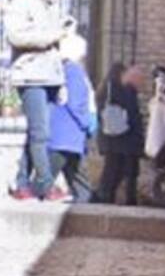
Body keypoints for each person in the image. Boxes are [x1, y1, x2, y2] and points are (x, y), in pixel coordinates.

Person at [6, 0, 72, 201]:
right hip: (30, 75)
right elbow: (15, 35)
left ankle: (22, 184)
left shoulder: (51, 5)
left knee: (37, 133)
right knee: (40, 133)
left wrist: (61, 81)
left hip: (50, 76)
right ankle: (44, 183)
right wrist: (51, 35)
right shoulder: (22, 1)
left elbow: (56, 46)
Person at [46, 34, 97, 202]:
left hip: (62, 135)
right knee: (48, 178)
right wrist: (87, 123)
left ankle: (86, 203)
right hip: (69, 135)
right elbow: (77, 103)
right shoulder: (74, 71)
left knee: (78, 178)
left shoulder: (62, 70)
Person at [94, 63, 147, 205]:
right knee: (122, 173)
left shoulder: (106, 90)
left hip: (113, 139)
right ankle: (115, 199)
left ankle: (106, 198)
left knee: (113, 172)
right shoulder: (123, 91)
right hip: (123, 140)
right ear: (123, 74)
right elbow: (133, 117)